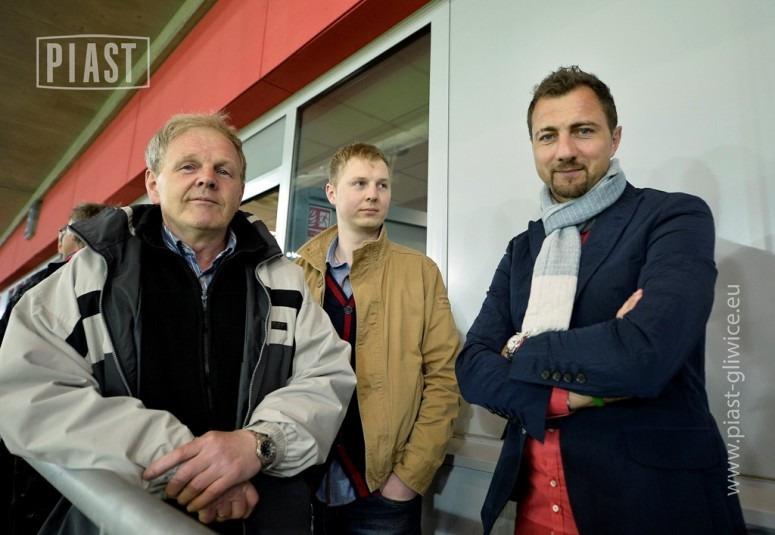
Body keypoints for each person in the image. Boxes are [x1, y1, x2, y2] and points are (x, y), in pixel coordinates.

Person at [0, 112, 356, 534]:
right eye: (188, 166)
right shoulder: (94, 274)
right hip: (123, 521)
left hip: (263, 519)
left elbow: (327, 376)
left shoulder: (283, 280)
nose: (207, 179)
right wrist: (187, 463)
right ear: (153, 184)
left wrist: (258, 445)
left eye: (224, 171)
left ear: (240, 190)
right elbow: (28, 389)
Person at [455, 66, 746, 535]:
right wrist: (570, 395)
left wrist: (515, 348)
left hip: (651, 506)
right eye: (547, 136)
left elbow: (645, 353)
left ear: (615, 138)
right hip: (533, 509)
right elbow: (471, 366)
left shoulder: (673, 217)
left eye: (583, 131)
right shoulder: (523, 249)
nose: (564, 150)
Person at [295, 143, 460, 534]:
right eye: (360, 183)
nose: (373, 194)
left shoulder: (420, 273)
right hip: (304, 484)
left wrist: (409, 476)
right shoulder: (298, 274)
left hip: (384, 492)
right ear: (331, 192)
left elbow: (444, 377)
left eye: (382, 185)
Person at [0, 202, 106, 534]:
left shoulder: (40, 285)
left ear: (75, 234)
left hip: (37, 448)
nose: (59, 238)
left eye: (63, 230)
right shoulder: (119, 282)